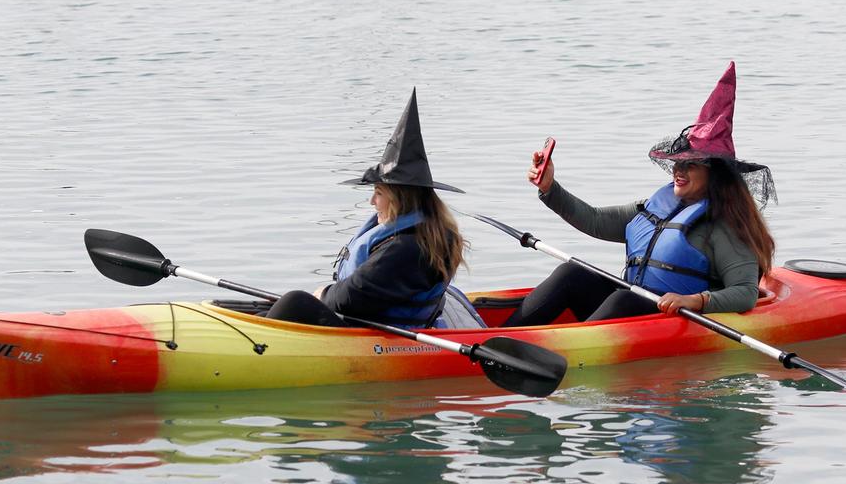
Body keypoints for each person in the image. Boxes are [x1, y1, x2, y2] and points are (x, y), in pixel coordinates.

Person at [503, 62, 777, 327]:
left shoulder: (725, 225)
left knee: (626, 298)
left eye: (690, 164)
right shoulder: (654, 208)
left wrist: (694, 300)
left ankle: (565, 349)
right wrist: (550, 188)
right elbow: (594, 220)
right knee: (572, 273)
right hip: (635, 311)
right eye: (677, 163)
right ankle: (499, 338)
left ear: (715, 174)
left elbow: (745, 293)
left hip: (678, 319)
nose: (678, 170)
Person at [266, 89, 481, 329]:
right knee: (275, 304)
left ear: (402, 199)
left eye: (378, 193)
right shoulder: (417, 234)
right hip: (372, 324)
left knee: (295, 302)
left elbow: (350, 299)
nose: (372, 202)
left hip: (384, 339)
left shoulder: (407, 248)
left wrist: (323, 293)